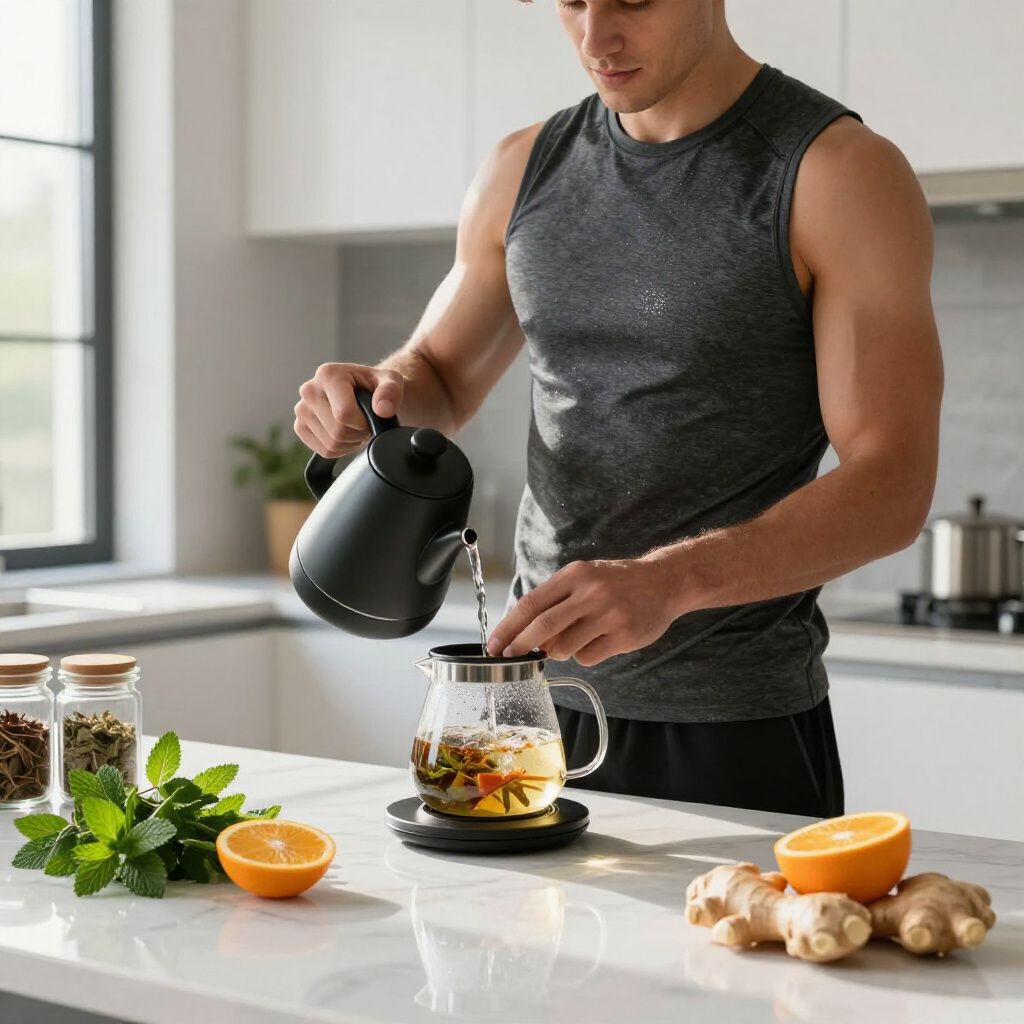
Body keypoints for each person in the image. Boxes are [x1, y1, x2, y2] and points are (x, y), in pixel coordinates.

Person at [293, 0, 943, 818]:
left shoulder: (835, 172)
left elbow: (894, 482)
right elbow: (440, 378)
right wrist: (371, 396)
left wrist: (665, 584)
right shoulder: (522, 167)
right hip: (528, 711)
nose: (595, 38)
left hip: (731, 727)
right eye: (572, 2)